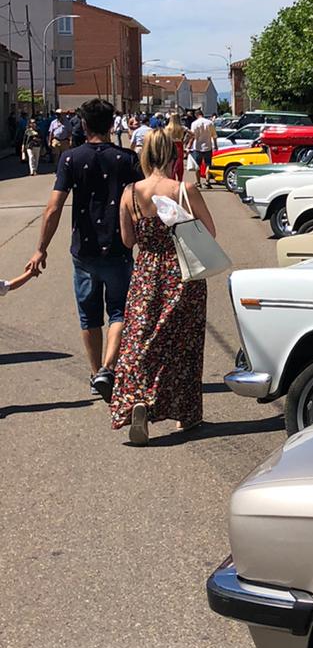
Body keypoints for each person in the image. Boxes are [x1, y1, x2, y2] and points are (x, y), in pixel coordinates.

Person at [29, 97, 141, 401]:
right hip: (119, 248)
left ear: (85, 124)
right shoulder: (127, 159)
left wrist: (41, 248)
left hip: (84, 249)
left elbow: (53, 208)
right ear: (110, 125)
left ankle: (96, 375)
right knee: (119, 311)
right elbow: (142, 203)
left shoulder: (71, 159)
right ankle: (108, 368)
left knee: (88, 316)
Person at [111, 127, 215, 445]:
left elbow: (128, 241)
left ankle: (139, 400)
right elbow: (210, 232)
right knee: (183, 344)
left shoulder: (130, 193)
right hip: (182, 273)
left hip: (146, 274)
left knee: (141, 341)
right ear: (173, 155)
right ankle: (186, 412)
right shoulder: (184, 189)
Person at [190, 111, 217, 188]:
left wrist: (189, 145)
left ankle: (198, 182)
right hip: (208, 146)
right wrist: (215, 145)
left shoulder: (194, 123)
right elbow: (214, 135)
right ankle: (207, 182)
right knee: (208, 164)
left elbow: (192, 135)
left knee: (197, 165)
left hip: (197, 146)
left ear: (196, 115)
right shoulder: (210, 123)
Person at [164, 114, 187, 180]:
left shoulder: (167, 128)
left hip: (170, 144)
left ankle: (172, 178)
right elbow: (192, 134)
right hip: (179, 144)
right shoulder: (182, 127)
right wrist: (185, 141)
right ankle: (180, 179)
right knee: (180, 163)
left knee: (171, 162)